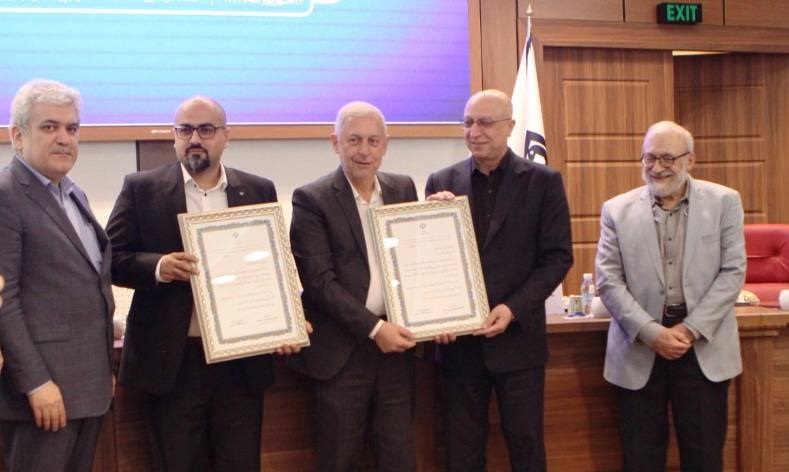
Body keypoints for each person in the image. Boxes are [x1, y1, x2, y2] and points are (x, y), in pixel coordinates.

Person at [106, 96, 303, 471]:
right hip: (172, 362)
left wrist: (287, 318)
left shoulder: (257, 189)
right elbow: (110, 259)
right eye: (185, 130)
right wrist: (159, 266)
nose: (195, 138)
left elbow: (276, 263)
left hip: (240, 361)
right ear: (174, 137)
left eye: (206, 129)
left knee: (240, 463)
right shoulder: (141, 188)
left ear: (226, 136)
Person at [425, 89, 573, 472]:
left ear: (510, 126)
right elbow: (431, 261)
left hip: (518, 341)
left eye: (485, 123)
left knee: (526, 446)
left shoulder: (543, 181)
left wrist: (512, 308)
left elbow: (558, 257)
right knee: (462, 450)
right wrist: (428, 221)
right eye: (468, 122)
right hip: (459, 346)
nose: (474, 131)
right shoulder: (441, 181)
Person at [596, 121, 746, 471]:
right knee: (640, 458)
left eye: (667, 158)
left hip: (703, 346)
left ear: (690, 160)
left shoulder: (725, 201)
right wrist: (652, 333)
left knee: (704, 456)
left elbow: (733, 272)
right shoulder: (616, 210)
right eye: (649, 158)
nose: (656, 167)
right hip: (639, 346)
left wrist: (690, 329)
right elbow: (608, 280)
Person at [289, 101, 418, 471]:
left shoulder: (403, 188)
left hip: (396, 352)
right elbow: (319, 282)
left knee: (398, 458)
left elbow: (417, 258)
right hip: (341, 355)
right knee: (338, 459)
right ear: (336, 143)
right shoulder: (311, 198)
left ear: (386, 145)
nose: (364, 150)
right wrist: (375, 329)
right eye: (354, 140)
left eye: (374, 141)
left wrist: (440, 212)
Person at [0, 79, 115, 471]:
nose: (64, 138)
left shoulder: (73, 194)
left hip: (86, 387)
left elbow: (82, 284)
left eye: (72, 128)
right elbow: (4, 301)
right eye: (49, 127)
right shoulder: (6, 195)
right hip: (41, 396)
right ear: (18, 135)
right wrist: (35, 383)